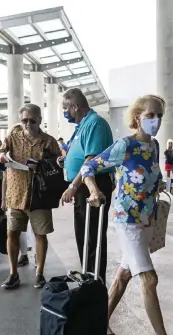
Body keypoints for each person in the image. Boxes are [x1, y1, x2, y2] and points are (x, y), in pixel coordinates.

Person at [81, 94, 173, 335]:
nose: (156, 121)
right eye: (151, 115)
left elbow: (151, 176)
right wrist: (94, 190)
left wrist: (161, 185)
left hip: (147, 219)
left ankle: (98, 326)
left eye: (159, 116)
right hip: (127, 220)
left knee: (123, 276)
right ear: (138, 118)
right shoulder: (125, 145)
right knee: (149, 278)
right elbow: (90, 166)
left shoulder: (154, 146)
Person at [0, 104, 61, 289]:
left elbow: (58, 166)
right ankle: (13, 273)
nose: (28, 124)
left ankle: (39, 273)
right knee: (12, 233)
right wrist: (0, 157)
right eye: (24, 120)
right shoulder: (12, 138)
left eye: (32, 120)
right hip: (15, 195)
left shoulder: (49, 141)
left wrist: (43, 165)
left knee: (40, 235)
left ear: (40, 120)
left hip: (39, 196)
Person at [60, 88, 114, 283]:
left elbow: (91, 159)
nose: (65, 112)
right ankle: (87, 275)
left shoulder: (95, 124)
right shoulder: (82, 125)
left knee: (92, 236)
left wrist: (73, 186)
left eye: (66, 108)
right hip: (83, 186)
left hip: (93, 185)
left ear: (75, 107)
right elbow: (80, 153)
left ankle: (95, 281)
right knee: (83, 234)